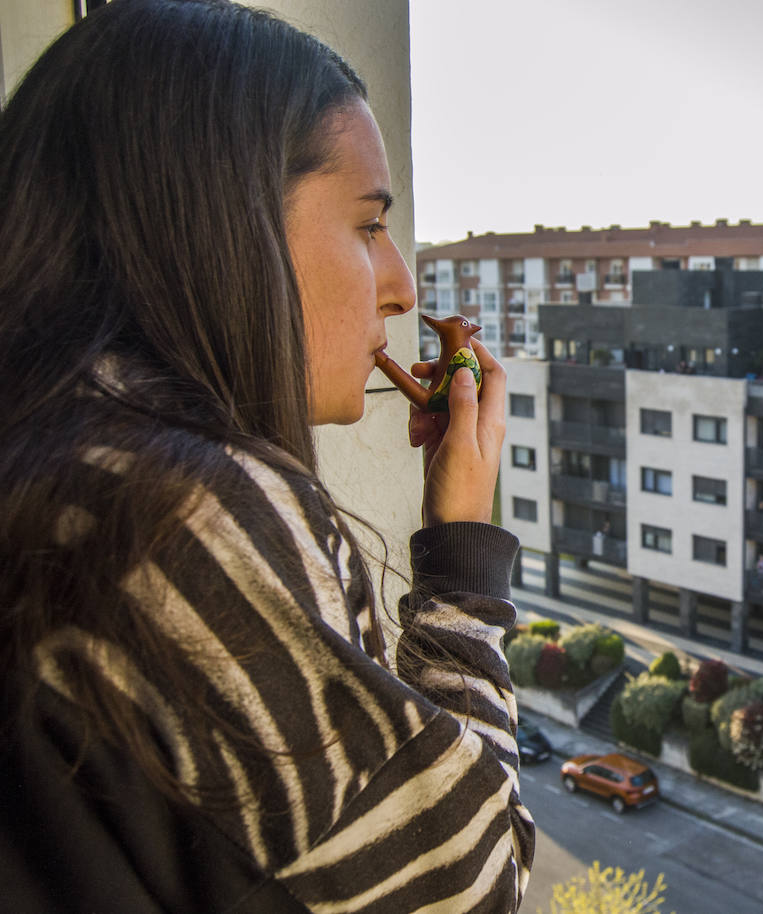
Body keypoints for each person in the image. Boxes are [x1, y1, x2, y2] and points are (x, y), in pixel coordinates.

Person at [0, 3, 532, 911]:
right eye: (368, 225)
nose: (402, 289)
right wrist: (463, 560)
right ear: (220, 222)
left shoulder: (46, 451)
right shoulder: (177, 513)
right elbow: (469, 886)